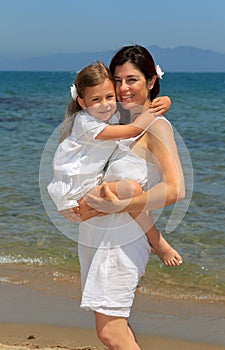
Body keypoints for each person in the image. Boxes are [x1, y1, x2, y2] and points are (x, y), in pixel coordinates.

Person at [60, 45, 185, 350]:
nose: (123, 88)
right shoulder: (120, 125)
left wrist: (122, 204)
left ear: (151, 81)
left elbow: (175, 189)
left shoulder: (156, 128)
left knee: (110, 333)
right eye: (118, 80)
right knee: (118, 329)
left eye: (132, 80)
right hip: (99, 235)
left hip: (123, 239)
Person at [47, 61, 181, 264]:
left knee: (130, 191)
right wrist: (154, 112)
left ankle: (154, 241)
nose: (105, 103)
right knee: (131, 189)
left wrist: (166, 101)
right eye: (96, 99)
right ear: (82, 102)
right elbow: (133, 130)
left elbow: (175, 190)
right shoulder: (88, 122)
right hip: (78, 192)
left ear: (151, 81)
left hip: (95, 202)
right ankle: (157, 241)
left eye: (110, 96)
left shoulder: (111, 117)